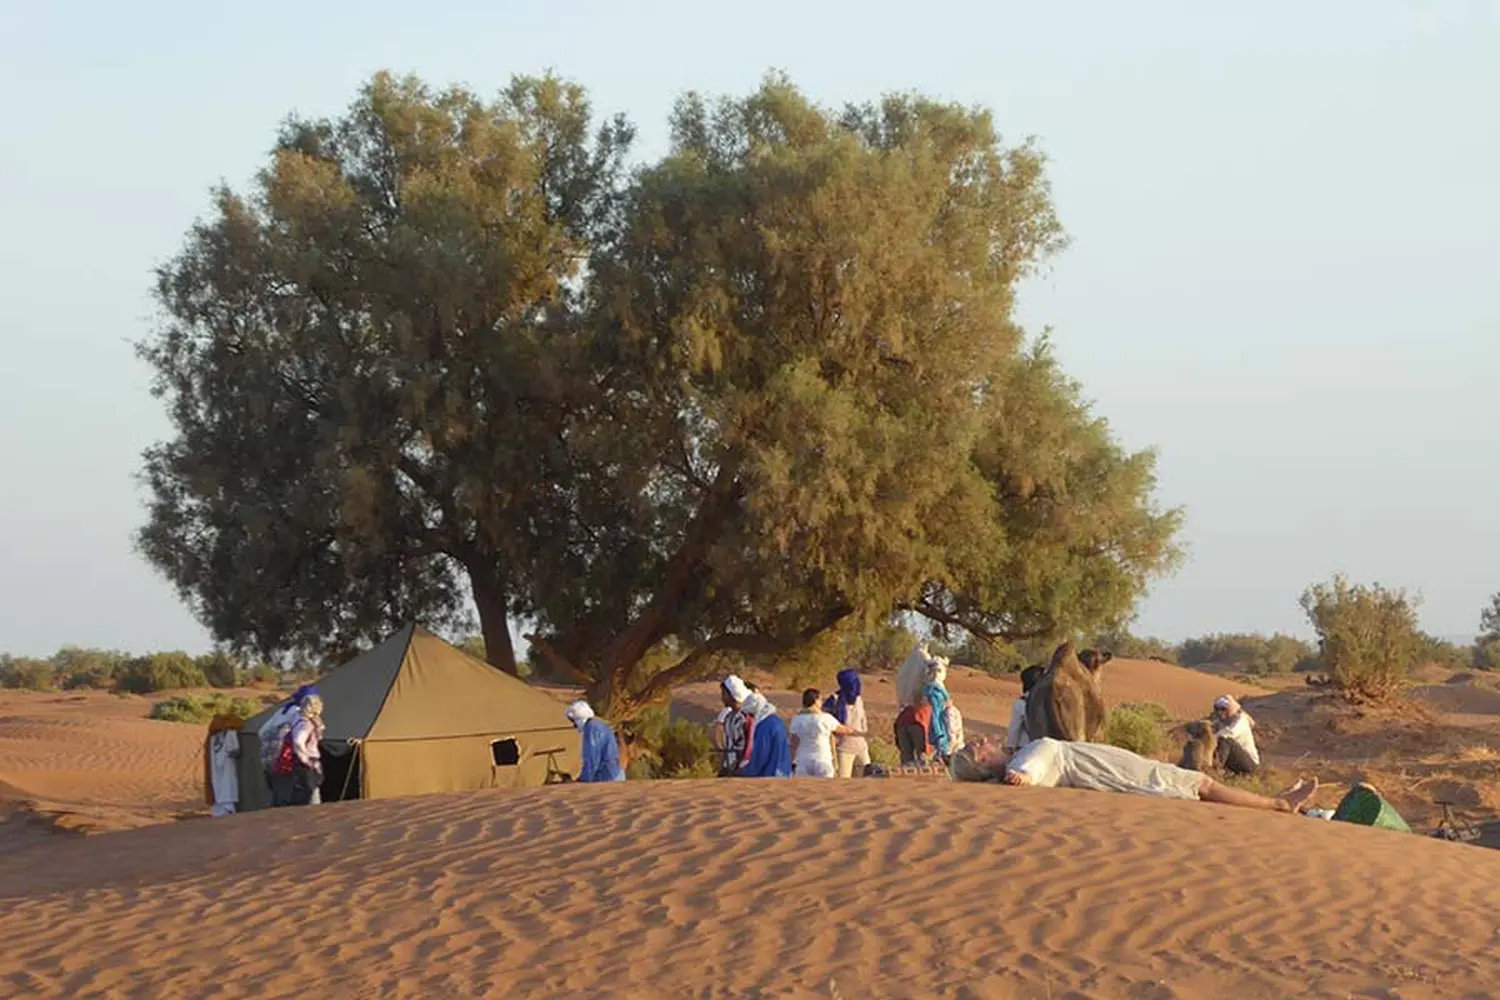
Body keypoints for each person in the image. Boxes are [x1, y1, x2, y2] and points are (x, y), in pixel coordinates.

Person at [983, 737, 1318, 814]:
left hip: (1112, 765)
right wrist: (1022, 774)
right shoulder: (1030, 752)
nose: (981, 740)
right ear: (984, 763)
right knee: (1201, 784)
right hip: (1114, 771)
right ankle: (1277, 803)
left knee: (1198, 784)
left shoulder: (1022, 755)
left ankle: (1277, 801)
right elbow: (1033, 764)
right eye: (976, 748)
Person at [791, 688, 865, 778]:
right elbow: (844, 730)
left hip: (803, 760)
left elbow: (794, 743)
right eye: (820, 699)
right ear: (815, 701)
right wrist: (857, 732)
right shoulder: (825, 718)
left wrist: (792, 760)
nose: (822, 702)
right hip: (822, 759)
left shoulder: (796, 719)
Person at [258, 684, 317, 797]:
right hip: (287, 762)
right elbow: (299, 740)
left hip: (269, 761)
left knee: (278, 795)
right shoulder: (299, 713)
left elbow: (262, 732)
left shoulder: (283, 710)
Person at [822, 669, 870, 778]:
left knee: (869, 778)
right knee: (843, 781)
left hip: (861, 746)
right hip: (844, 749)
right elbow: (825, 722)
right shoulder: (833, 700)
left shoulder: (858, 699)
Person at [565, 699, 626, 782]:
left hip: (608, 776)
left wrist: (583, 780)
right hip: (614, 773)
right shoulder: (598, 725)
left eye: (574, 721)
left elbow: (592, 760)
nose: (574, 725)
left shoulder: (592, 729)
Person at [739, 691, 791, 778]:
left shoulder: (764, 726)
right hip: (783, 772)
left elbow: (760, 756)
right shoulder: (776, 721)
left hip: (771, 775)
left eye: (751, 714)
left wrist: (745, 771)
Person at [287, 694, 325, 806]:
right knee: (311, 793)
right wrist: (306, 759)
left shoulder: (300, 720)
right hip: (307, 762)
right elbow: (298, 741)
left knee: (307, 792)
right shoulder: (305, 724)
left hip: (304, 762)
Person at [1210, 695, 1261, 775]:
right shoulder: (1222, 721)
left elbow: (1229, 733)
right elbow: (1210, 727)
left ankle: (1216, 769)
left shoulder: (1241, 721)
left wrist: (1209, 737)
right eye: (1217, 709)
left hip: (1250, 764)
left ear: (1231, 709)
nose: (1219, 712)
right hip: (1236, 762)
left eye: (1223, 709)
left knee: (1225, 741)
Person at [205, 714, 242, 817]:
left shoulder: (212, 738)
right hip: (228, 769)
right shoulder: (230, 733)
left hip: (216, 773)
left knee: (219, 793)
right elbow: (234, 751)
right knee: (228, 792)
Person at [716, 676, 752, 776]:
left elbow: (747, 745)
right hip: (728, 767)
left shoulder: (745, 717)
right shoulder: (728, 717)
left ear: (731, 695)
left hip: (741, 769)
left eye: (724, 694)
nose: (722, 698)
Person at [1005, 665, 1046, 751]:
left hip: (1026, 748)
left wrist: (1010, 746)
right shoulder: (1048, 702)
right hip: (1046, 748)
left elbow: (1015, 728)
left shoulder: (1021, 703)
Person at [922, 658, 954, 760]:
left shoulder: (935, 687)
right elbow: (934, 714)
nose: (936, 674)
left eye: (938, 671)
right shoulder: (933, 689)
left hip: (941, 716)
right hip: (938, 719)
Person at [894, 693, 934, 766]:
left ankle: (906, 771)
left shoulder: (907, 709)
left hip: (902, 723)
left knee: (906, 755)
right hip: (917, 723)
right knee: (922, 754)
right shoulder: (928, 709)